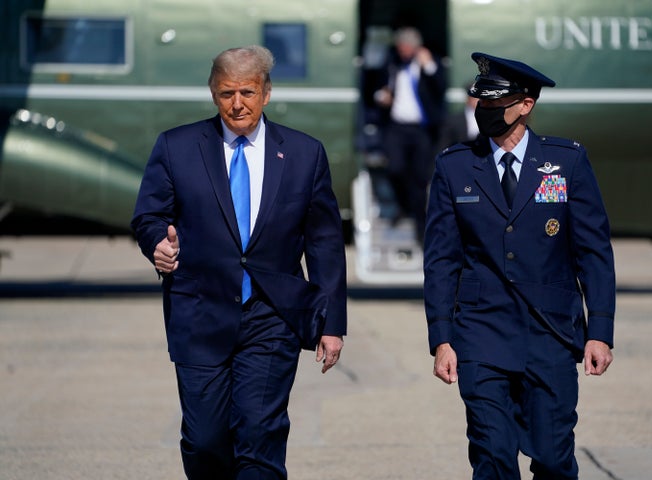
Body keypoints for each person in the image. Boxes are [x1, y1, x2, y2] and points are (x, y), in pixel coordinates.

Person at [131, 46, 347, 480]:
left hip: (273, 314)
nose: (237, 103)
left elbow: (324, 242)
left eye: (247, 91)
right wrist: (157, 244)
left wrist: (332, 322)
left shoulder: (304, 154)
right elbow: (149, 215)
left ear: (266, 93)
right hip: (199, 313)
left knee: (260, 435)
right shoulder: (177, 147)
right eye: (226, 92)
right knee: (204, 441)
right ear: (213, 94)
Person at [423, 52, 615, 480]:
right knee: (492, 454)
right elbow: (440, 260)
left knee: (551, 457)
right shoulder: (454, 166)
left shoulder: (566, 162)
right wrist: (441, 338)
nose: (484, 111)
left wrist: (599, 331)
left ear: (526, 104)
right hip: (480, 332)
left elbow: (594, 253)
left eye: (495, 103)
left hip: (550, 332)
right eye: (480, 103)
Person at [372, 26, 446, 242]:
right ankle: (402, 206)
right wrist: (381, 96)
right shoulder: (392, 63)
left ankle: (419, 224)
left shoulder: (429, 63)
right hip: (396, 126)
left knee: (420, 178)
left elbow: (439, 88)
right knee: (394, 168)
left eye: (406, 48)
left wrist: (429, 65)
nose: (403, 52)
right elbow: (376, 87)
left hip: (421, 128)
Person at [437, 81, 480, 150]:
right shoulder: (452, 121)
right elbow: (442, 147)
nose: (479, 100)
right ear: (468, 98)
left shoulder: (492, 118)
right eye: (476, 96)